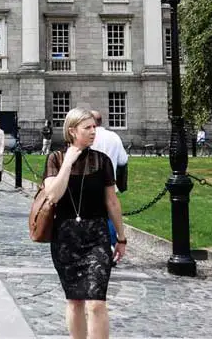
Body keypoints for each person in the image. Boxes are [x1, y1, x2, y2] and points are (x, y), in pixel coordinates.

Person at [42, 107, 127, 339]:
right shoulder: (56, 159)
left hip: (97, 236)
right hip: (66, 238)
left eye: (94, 127)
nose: (93, 132)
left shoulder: (102, 161)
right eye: (87, 128)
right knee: (75, 301)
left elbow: (112, 202)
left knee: (96, 302)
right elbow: (52, 196)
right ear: (72, 130)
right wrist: (68, 162)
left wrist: (121, 237)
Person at [90, 110, 129, 251]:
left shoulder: (88, 136)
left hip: (90, 184)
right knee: (110, 214)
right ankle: (110, 246)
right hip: (110, 182)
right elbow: (123, 160)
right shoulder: (113, 137)